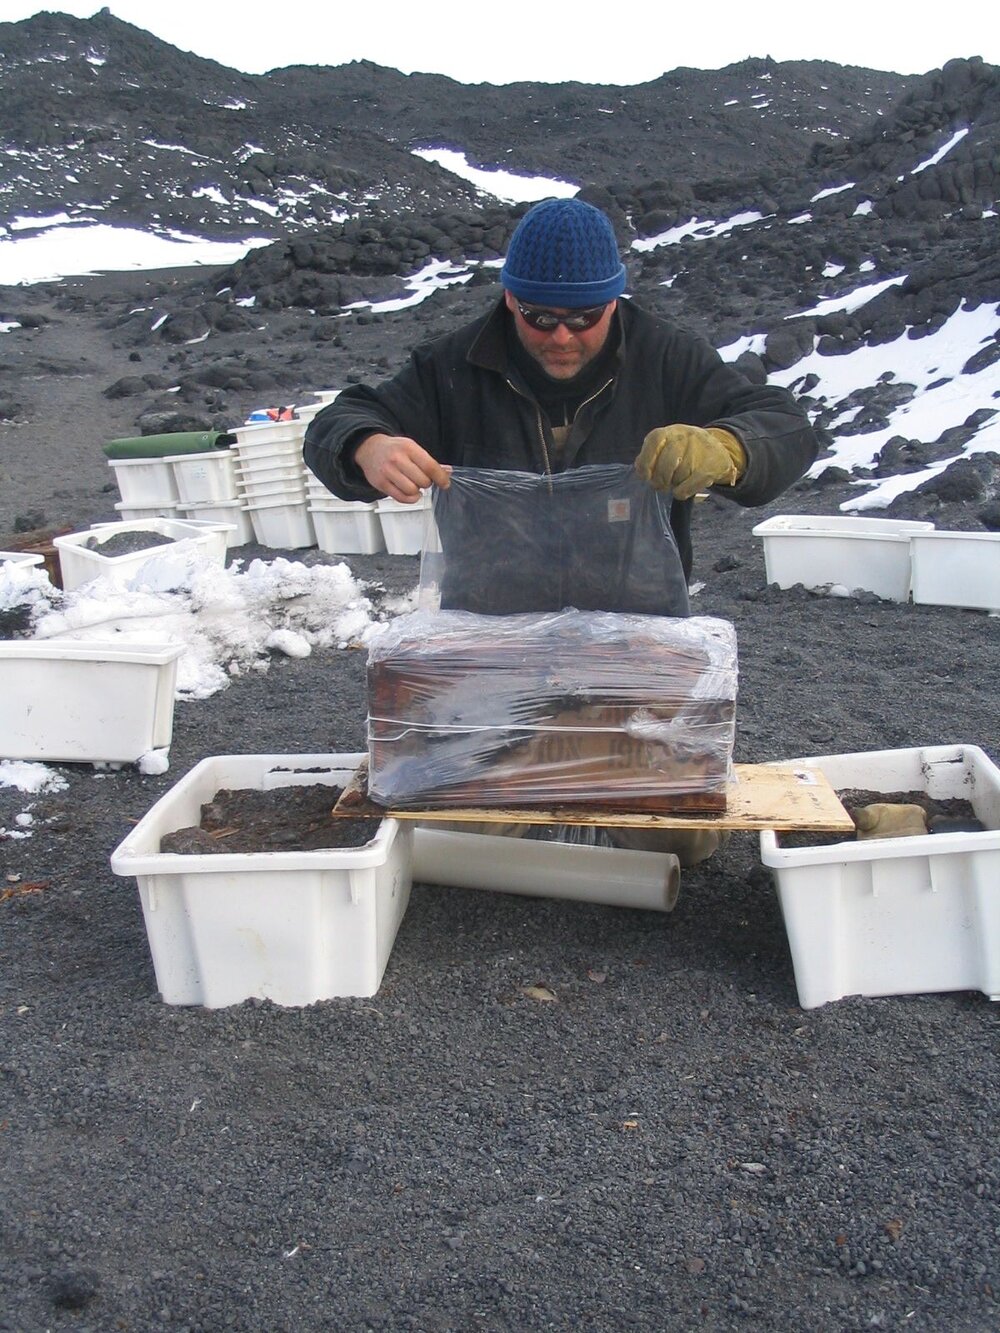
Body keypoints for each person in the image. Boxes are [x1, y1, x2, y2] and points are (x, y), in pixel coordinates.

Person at [304, 197, 819, 873]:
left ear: (614, 300)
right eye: (540, 317)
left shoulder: (667, 357)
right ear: (511, 300)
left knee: (684, 841)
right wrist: (365, 444)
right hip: (493, 656)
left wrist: (730, 446)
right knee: (456, 844)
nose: (561, 337)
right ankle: (524, 794)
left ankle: (594, 795)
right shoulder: (453, 365)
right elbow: (339, 419)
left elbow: (784, 424)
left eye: (585, 318)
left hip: (635, 648)